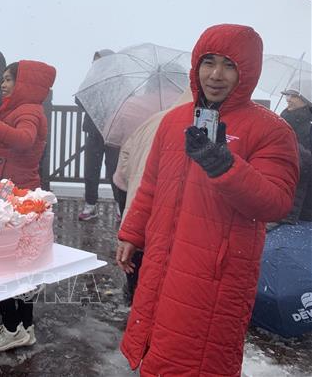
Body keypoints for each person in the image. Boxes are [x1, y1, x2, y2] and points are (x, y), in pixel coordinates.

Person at [115, 24, 299, 376]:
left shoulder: (271, 130)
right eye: (208, 62)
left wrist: (224, 165)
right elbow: (152, 185)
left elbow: (275, 202)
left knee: (197, 363)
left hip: (216, 275)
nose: (216, 75)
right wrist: (133, 233)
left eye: (229, 65)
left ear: (247, 71)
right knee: (156, 351)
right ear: (196, 66)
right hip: (162, 262)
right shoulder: (173, 122)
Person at [0, 60, 56, 351]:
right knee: (22, 264)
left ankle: (11, 328)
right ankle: (24, 327)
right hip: (11, 192)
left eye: (10, 80)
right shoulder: (14, 108)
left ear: (25, 84)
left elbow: (23, 140)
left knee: (6, 264)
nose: (4, 84)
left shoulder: (29, 111)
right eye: (5, 79)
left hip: (17, 196)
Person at [112, 88, 193, 305]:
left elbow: (124, 165)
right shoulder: (197, 129)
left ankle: (132, 303)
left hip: (137, 202)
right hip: (167, 213)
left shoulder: (154, 120)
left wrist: (133, 180)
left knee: (134, 261)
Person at [77, 49, 120, 221]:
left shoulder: (120, 80)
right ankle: (90, 204)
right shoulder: (91, 80)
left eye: (99, 61)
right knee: (91, 170)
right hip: (94, 133)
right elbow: (79, 100)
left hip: (114, 133)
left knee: (115, 171)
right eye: (94, 62)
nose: (96, 65)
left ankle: (120, 205)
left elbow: (127, 101)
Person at [277, 84, 312, 223]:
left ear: (306, 99)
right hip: (280, 203)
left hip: (303, 211)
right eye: (288, 95)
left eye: (294, 96)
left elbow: (306, 162)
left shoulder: (308, 125)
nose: (288, 99)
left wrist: (287, 146)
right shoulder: (283, 119)